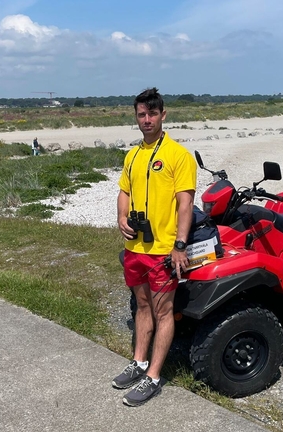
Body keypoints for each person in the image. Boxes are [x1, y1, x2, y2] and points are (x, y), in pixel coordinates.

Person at [113, 88, 197, 406]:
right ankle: (139, 362)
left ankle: (154, 377)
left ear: (163, 115)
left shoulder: (178, 155)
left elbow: (185, 204)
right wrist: (122, 216)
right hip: (135, 247)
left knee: (163, 312)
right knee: (143, 307)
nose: (146, 120)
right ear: (136, 117)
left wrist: (179, 245)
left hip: (163, 250)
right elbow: (124, 190)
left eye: (152, 114)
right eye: (141, 115)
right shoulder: (133, 155)